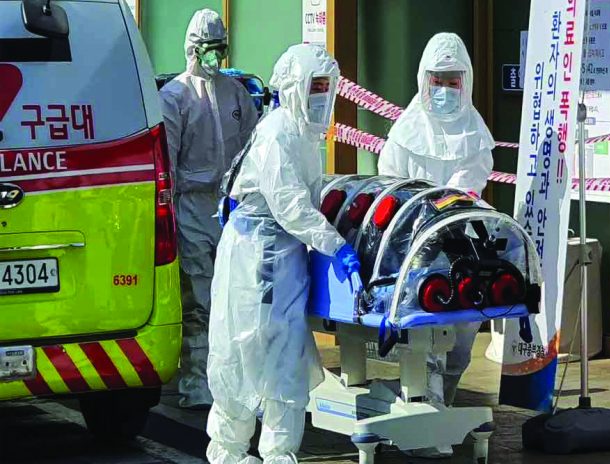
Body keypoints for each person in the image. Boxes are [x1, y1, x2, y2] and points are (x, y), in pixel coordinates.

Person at [206, 44, 361, 464]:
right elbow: (291, 205)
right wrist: (336, 245)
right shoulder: (278, 132)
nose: (321, 97)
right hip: (256, 263)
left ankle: (277, 454)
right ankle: (229, 452)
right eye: (316, 86)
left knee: (284, 365)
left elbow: (307, 193)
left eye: (328, 88)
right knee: (245, 358)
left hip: (282, 261)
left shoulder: (301, 134)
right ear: (295, 87)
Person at [378, 32, 496, 459]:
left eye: (452, 81)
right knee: (425, 333)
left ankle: (440, 407)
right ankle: (427, 424)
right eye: (437, 80)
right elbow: (392, 182)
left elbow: (469, 186)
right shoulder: (405, 133)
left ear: (465, 82)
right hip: (414, 245)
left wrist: (448, 211)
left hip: (462, 242)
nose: (444, 90)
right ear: (422, 80)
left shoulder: (475, 134)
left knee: (462, 337)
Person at [160, 9, 258, 409]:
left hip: (231, 207)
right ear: (193, 49)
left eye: (220, 49)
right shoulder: (176, 97)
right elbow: (166, 160)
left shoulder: (235, 94)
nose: (215, 57)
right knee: (199, 298)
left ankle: (232, 380)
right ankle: (196, 383)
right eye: (209, 49)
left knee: (235, 296)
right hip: (191, 208)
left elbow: (253, 147)